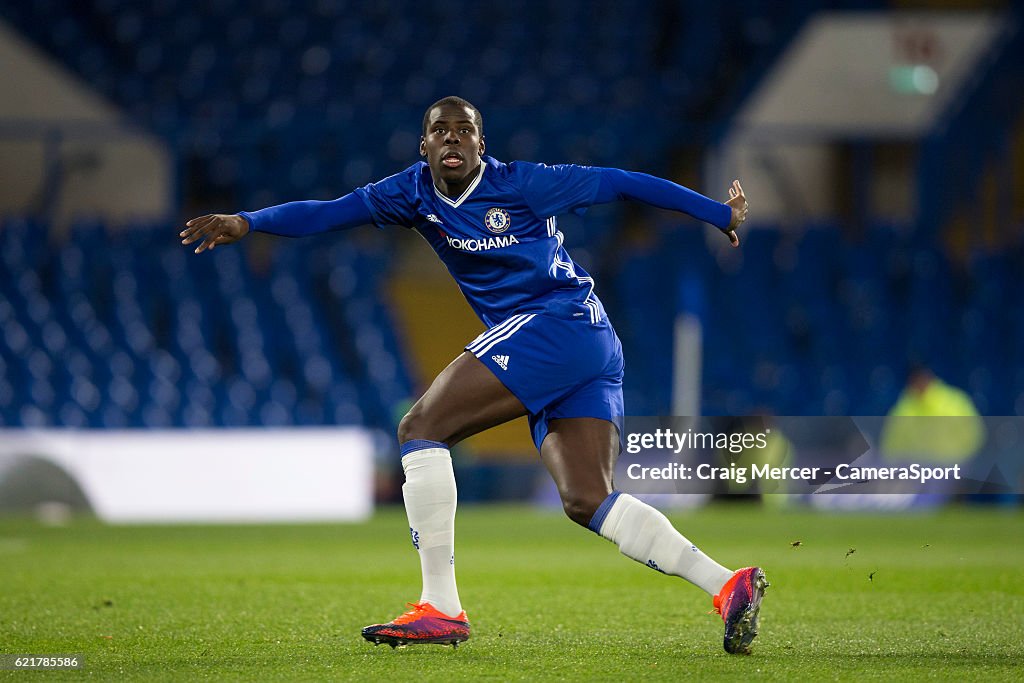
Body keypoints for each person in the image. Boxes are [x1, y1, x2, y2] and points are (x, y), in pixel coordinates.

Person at [180, 96, 766, 655]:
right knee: (588, 499)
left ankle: (441, 606)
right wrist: (247, 222)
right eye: (441, 130)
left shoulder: (523, 183)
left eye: (464, 130)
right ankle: (726, 584)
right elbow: (329, 212)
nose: (453, 138)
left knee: (419, 427)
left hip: (555, 324)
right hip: (582, 346)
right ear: (425, 146)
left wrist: (717, 214)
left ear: (482, 144)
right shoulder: (410, 193)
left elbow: (621, 181)